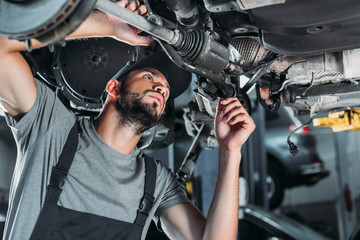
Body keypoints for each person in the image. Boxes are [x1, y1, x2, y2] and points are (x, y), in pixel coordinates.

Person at [0, 0, 255, 239]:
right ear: (113, 87)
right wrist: (105, 24)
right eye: (149, 77)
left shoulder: (154, 182)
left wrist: (230, 153)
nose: (161, 89)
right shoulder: (51, 128)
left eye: (165, 91)